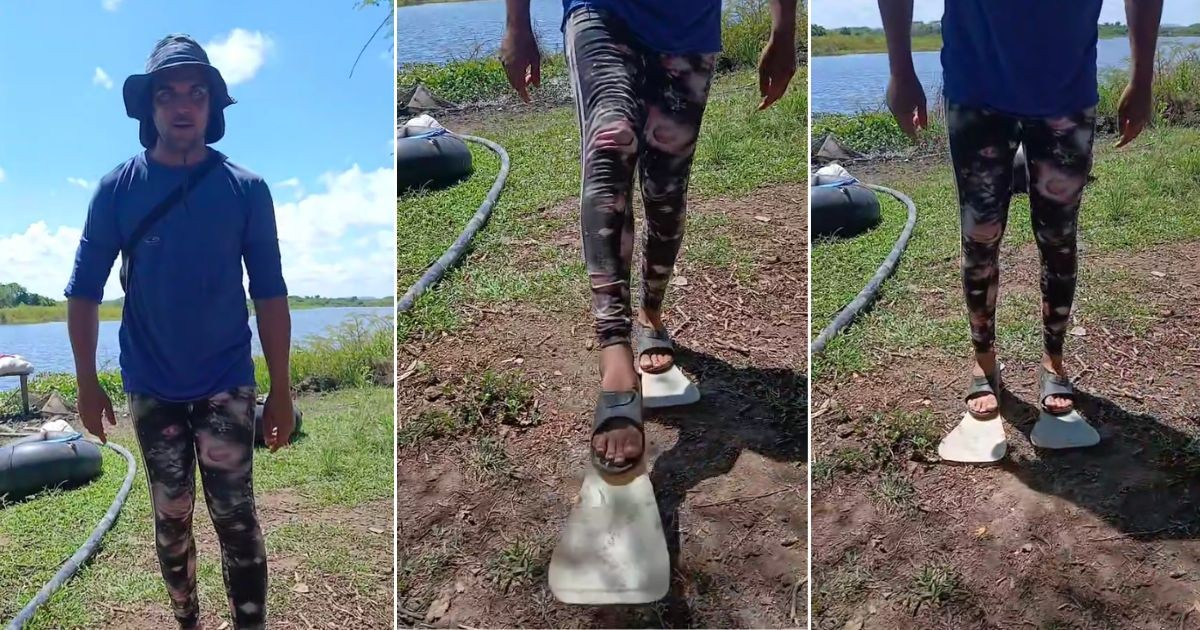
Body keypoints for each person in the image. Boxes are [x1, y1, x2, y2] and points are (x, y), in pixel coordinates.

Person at [500, 0, 797, 473]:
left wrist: (784, 34)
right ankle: (613, 346)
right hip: (600, 11)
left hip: (688, 27)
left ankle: (650, 316)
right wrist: (517, 24)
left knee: (666, 192)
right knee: (609, 145)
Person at [65, 34, 295, 630]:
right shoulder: (116, 190)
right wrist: (88, 386)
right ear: (150, 109)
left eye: (196, 92)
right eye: (167, 93)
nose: (182, 104)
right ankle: (187, 619)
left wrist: (283, 391)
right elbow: (84, 292)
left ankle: (250, 622)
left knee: (236, 517)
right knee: (171, 515)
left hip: (226, 382)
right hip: (153, 385)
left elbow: (268, 292)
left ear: (211, 107)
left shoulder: (246, 189)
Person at [877, 0, 1163, 419]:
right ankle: (984, 360)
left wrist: (1141, 77)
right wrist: (901, 70)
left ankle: (1054, 361)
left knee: (1059, 237)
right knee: (979, 235)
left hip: (1066, 92)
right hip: (976, 88)